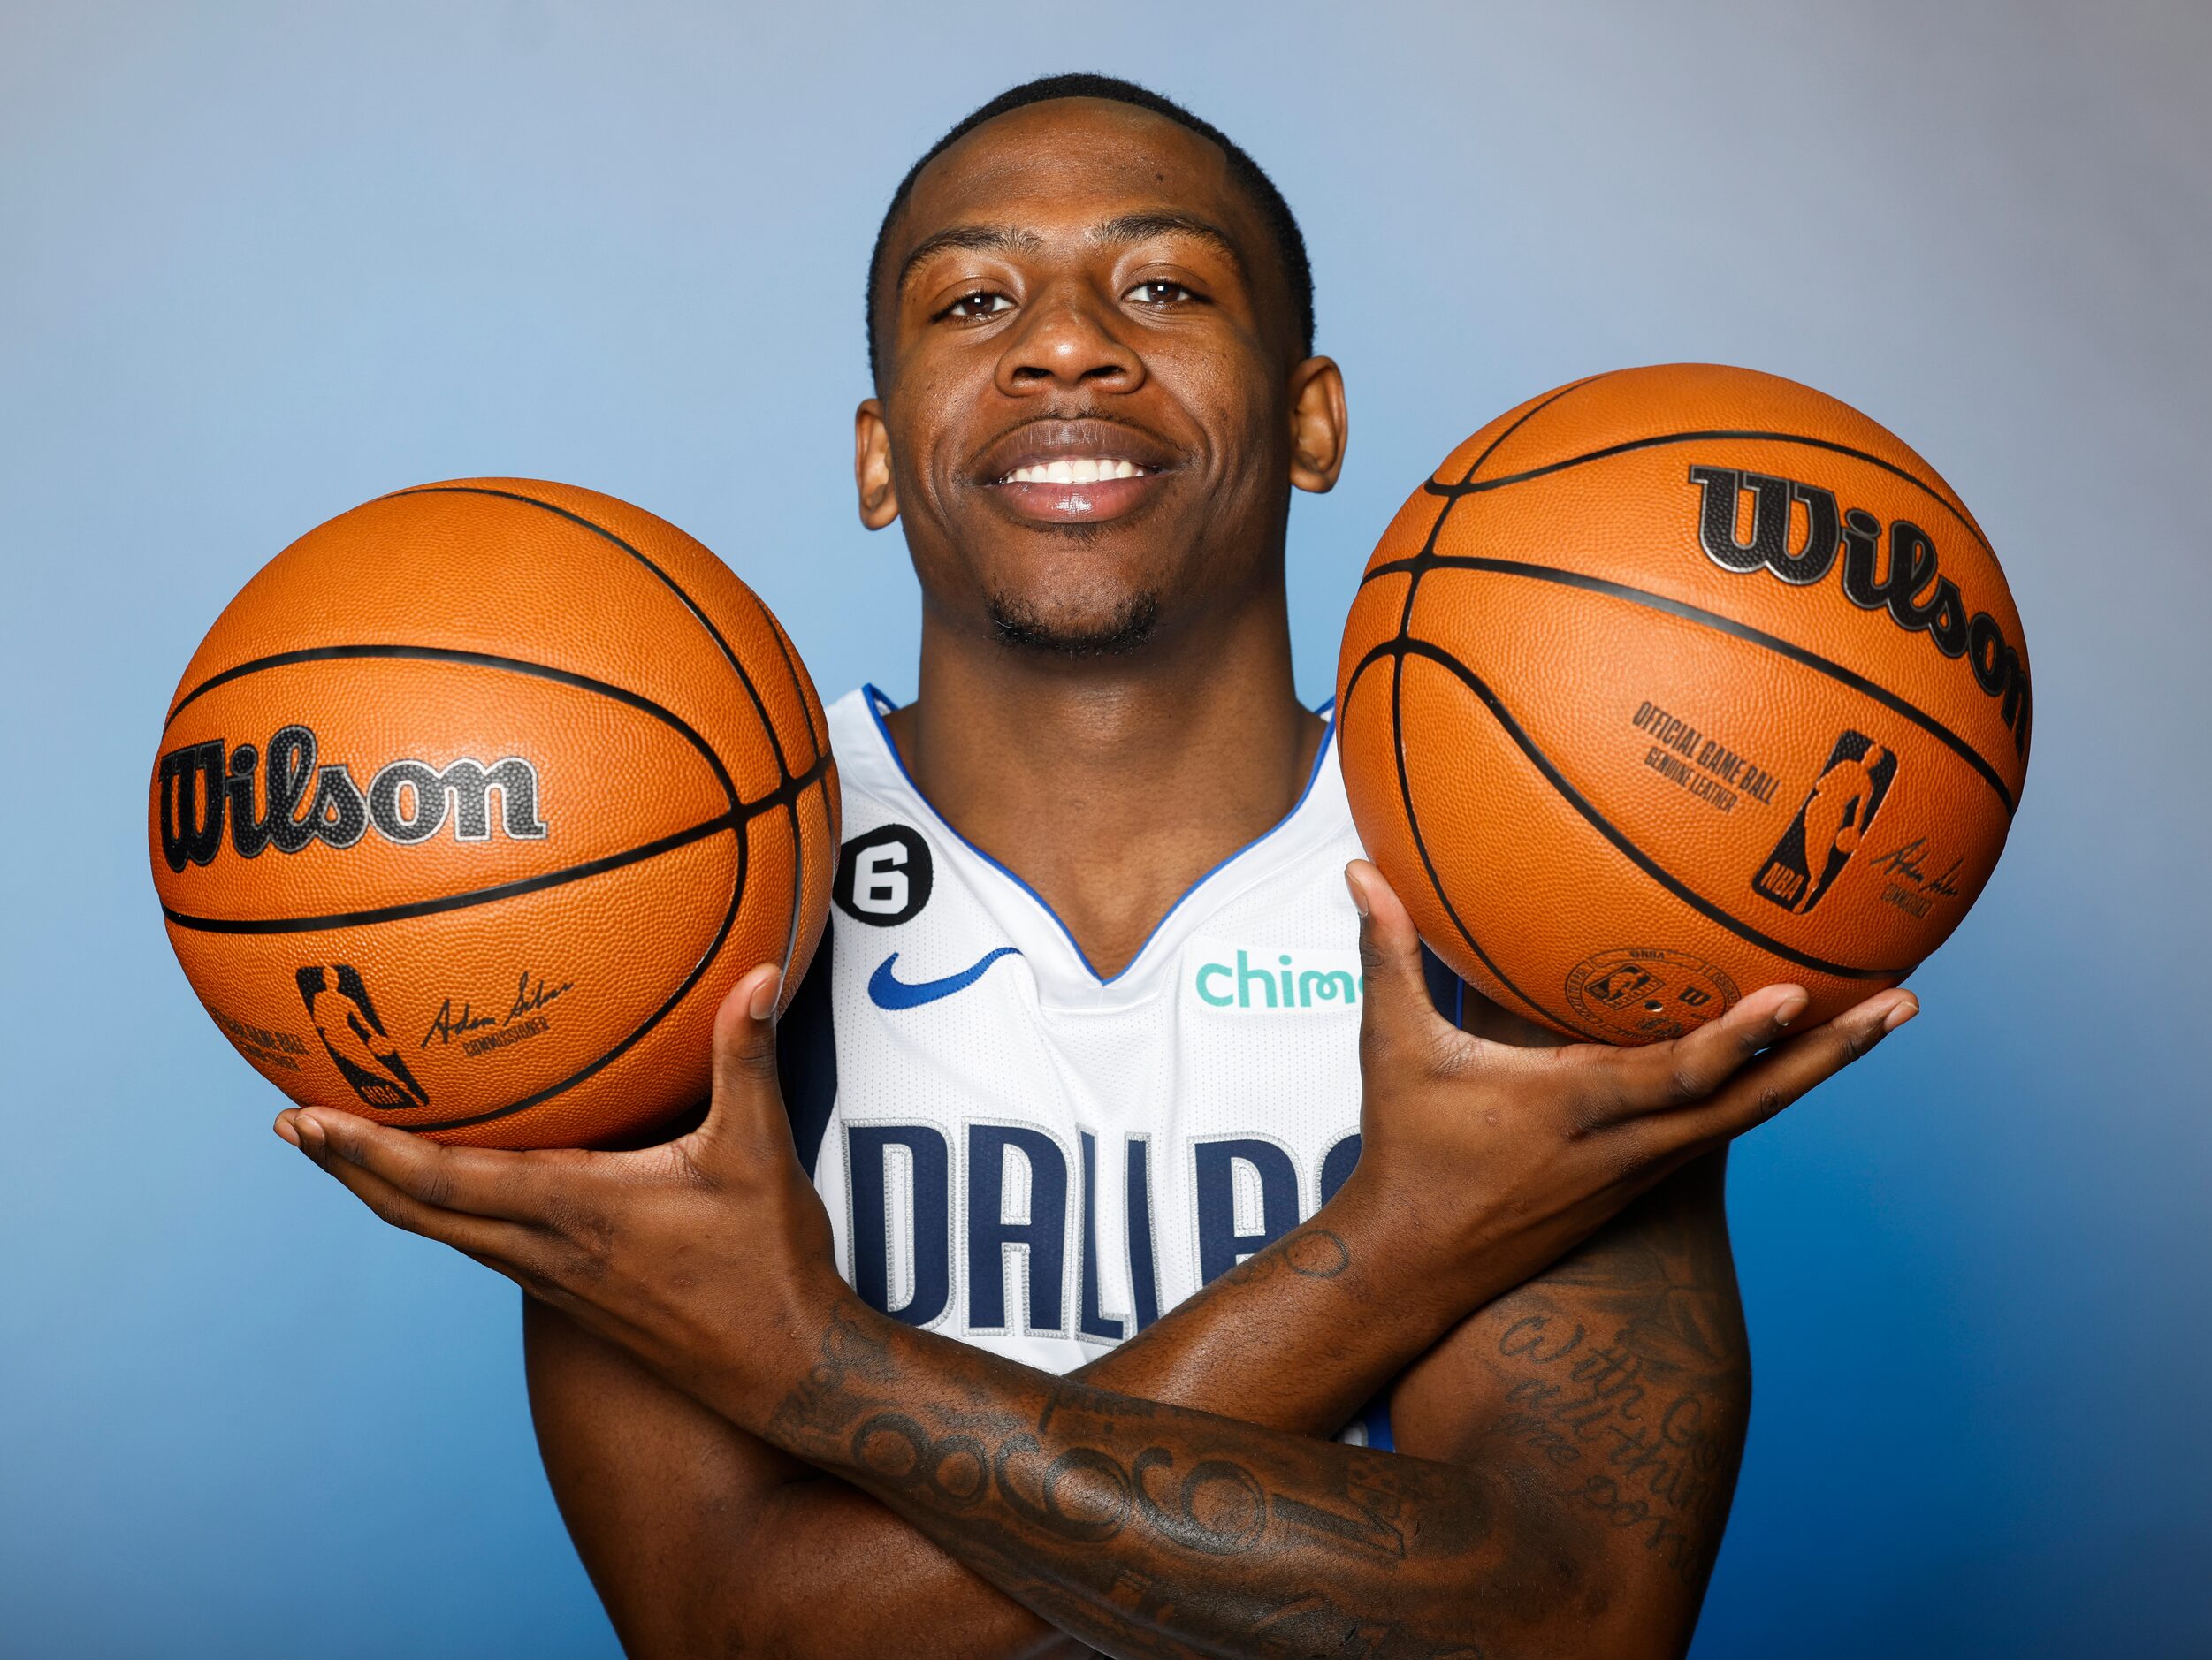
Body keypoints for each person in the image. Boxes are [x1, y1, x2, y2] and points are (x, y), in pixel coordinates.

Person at [276, 73, 1918, 1658]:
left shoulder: (1537, 869)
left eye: (1162, 286)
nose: (1067, 342)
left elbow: (1566, 1620)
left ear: (1308, 418)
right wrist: (1411, 1240)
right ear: (874, 452)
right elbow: (733, 1626)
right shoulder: (651, 893)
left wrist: (810, 1361)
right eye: (973, 303)